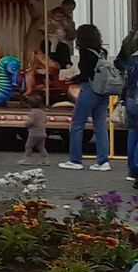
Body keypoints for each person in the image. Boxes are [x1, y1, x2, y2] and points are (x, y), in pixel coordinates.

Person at [56, 23, 111, 171]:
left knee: (77, 124)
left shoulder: (85, 52)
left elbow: (86, 74)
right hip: (103, 91)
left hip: (90, 89)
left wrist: (74, 79)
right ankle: (103, 161)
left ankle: (75, 160)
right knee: (100, 126)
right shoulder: (102, 52)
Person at [21, 94, 49, 164]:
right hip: (42, 133)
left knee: (28, 146)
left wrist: (26, 124)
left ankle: (28, 160)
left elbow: (31, 121)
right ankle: (45, 159)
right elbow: (45, 120)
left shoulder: (32, 113)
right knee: (41, 147)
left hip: (34, 133)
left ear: (29, 104)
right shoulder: (43, 113)